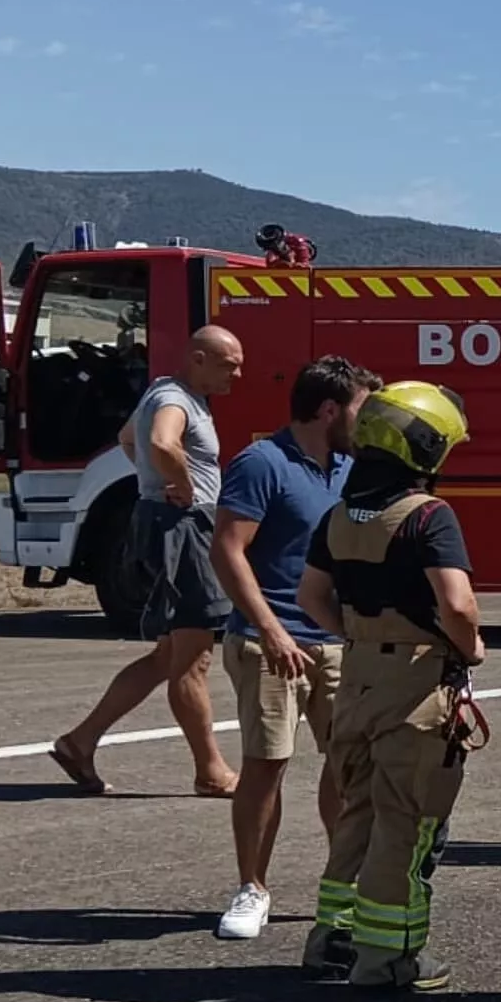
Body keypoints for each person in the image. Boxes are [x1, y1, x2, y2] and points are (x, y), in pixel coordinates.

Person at [295, 382, 484, 993]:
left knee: (359, 814)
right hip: (415, 682)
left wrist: (357, 633)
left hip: (358, 678)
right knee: (409, 821)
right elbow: (456, 603)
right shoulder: (429, 515)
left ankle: (332, 940)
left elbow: (310, 597)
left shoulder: (340, 515)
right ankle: (389, 957)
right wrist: (470, 647)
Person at [212, 354, 379, 940]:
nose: (368, 421)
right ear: (329, 409)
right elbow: (228, 551)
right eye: (361, 408)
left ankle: (344, 885)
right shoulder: (262, 463)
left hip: (334, 644)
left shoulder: (345, 467)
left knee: (347, 764)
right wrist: (270, 630)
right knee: (267, 765)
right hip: (270, 642)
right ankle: (251, 888)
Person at [49, 325, 245, 797]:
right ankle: (212, 772)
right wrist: (179, 483)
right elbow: (157, 442)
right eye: (228, 364)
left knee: (168, 655)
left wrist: (156, 482)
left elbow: (126, 439)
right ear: (197, 357)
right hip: (180, 530)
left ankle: (80, 742)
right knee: (193, 659)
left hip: (164, 525)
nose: (238, 374)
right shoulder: (173, 399)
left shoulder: (164, 392)